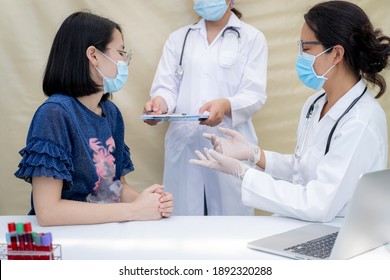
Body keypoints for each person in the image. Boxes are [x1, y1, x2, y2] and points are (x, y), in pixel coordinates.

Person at [190, 1, 389, 222]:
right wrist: (254, 154)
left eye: (306, 49)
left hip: (338, 235)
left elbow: (317, 204)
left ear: (336, 54)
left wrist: (244, 173)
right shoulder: (315, 104)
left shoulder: (361, 122)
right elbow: (302, 169)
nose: (300, 57)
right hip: (308, 228)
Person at [14, 11, 174, 226]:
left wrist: (152, 203)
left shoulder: (111, 113)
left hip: (105, 233)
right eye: (120, 52)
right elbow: (49, 212)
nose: (123, 62)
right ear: (94, 55)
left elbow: (116, 187)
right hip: (68, 240)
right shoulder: (54, 114)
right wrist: (135, 210)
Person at [143, 0, 267, 215]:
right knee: (182, 224)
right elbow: (166, 87)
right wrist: (160, 103)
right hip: (185, 143)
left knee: (230, 226)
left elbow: (254, 94)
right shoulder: (179, 39)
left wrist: (226, 105)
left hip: (228, 143)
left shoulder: (252, 38)